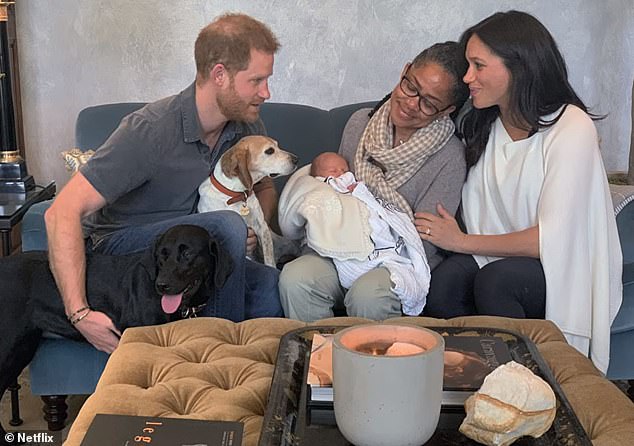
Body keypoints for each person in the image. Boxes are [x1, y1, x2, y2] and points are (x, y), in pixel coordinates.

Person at [44, 13, 284, 354]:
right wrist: (79, 312)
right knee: (226, 226)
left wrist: (252, 224)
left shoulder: (245, 128)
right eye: (257, 81)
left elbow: (263, 187)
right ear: (220, 75)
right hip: (126, 248)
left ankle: (252, 382)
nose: (266, 92)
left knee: (270, 284)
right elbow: (61, 212)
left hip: (193, 250)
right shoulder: (149, 130)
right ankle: (215, 362)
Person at [417, 10, 622, 373]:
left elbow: (551, 240)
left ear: (518, 67)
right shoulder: (482, 121)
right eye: (467, 65)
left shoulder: (570, 127)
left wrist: (460, 242)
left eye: (478, 66)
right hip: (495, 255)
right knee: (444, 284)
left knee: (499, 282)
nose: (468, 78)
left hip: (562, 267)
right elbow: (415, 117)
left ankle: (522, 394)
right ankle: (467, 386)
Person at [279, 41, 470, 322]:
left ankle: (372, 366)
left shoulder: (450, 156)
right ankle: (320, 361)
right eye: (410, 86)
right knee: (296, 278)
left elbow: (425, 238)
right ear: (404, 71)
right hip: (344, 244)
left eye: (428, 103)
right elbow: (340, 195)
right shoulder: (360, 124)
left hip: (397, 257)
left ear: (446, 111)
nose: (411, 103)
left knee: (368, 295)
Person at [281, 151, 430, 315]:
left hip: (380, 257)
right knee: (296, 278)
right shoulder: (316, 185)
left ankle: (369, 340)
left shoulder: (445, 155)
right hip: (329, 255)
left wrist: (361, 193)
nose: (341, 174)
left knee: (368, 296)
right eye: (333, 171)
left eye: (344, 170)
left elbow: (375, 207)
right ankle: (315, 339)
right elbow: (293, 218)